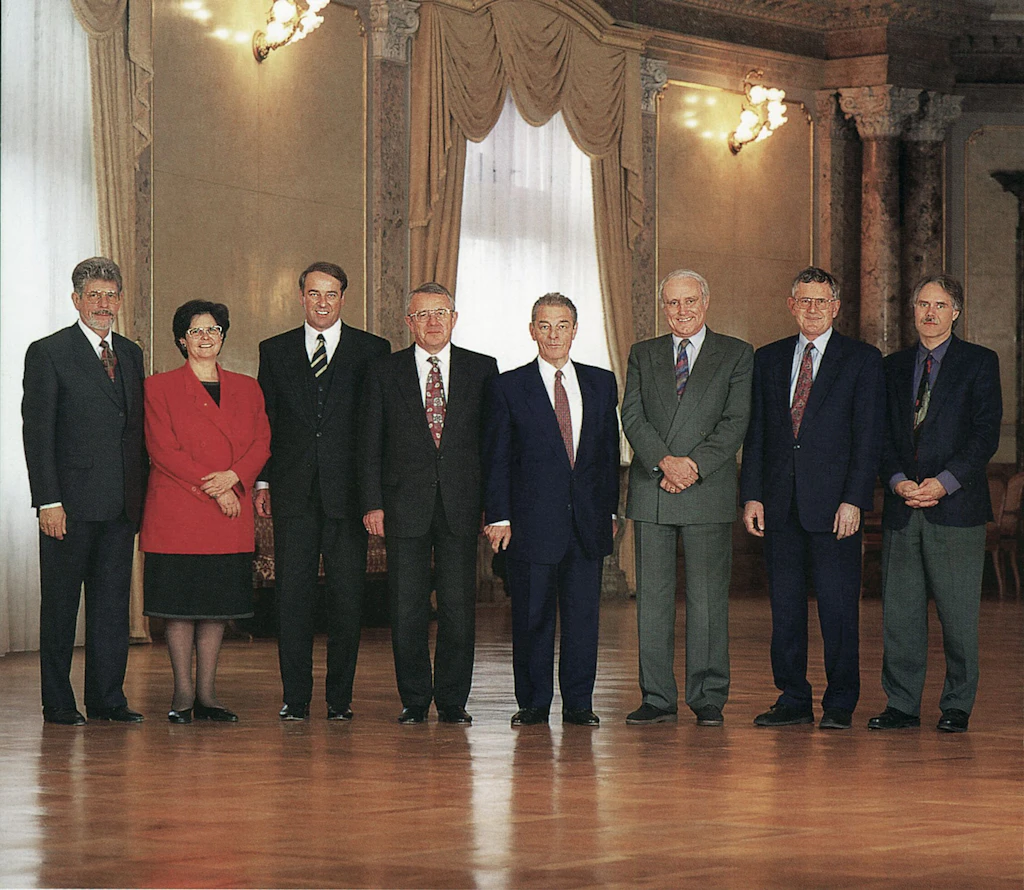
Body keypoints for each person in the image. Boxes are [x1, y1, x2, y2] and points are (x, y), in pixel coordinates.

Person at [740, 266, 884, 730]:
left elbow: (868, 437)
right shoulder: (768, 358)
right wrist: (752, 496)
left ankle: (840, 702)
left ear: (836, 307)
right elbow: (757, 432)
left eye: (822, 301)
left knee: (839, 610)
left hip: (835, 507)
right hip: (779, 505)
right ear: (791, 305)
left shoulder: (862, 360)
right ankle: (793, 698)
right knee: (785, 611)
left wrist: (855, 499)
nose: (813, 309)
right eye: (805, 301)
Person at [256, 262, 390, 721]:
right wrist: (263, 480)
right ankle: (295, 699)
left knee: (346, 602)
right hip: (292, 495)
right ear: (300, 296)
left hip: (349, 497)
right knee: (291, 601)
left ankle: (340, 700)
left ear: (343, 298)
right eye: (313, 294)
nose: (322, 303)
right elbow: (265, 422)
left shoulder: (373, 350)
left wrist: (375, 495)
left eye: (330, 294)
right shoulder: (273, 351)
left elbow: (377, 428)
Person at [868, 276, 1002, 734]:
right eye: (922, 303)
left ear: (956, 311)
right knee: (900, 615)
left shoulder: (980, 363)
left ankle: (957, 705)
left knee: (958, 616)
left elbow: (985, 435)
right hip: (904, 506)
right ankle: (902, 704)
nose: (930, 312)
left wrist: (944, 484)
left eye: (940, 305)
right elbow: (880, 436)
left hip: (956, 508)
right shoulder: (892, 366)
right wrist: (898, 480)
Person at [361, 283, 498, 724]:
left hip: (462, 505)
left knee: (459, 609)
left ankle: (453, 700)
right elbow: (370, 446)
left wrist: (493, 507)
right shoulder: (385, 372)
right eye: (422, 315)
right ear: (408, 322)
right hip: (402, 507)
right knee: (407, 608)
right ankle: (415, 699)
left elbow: (493, 446)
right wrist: (372, 503)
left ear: (454, 318)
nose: (433, 322)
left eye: (441, 313)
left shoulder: (483, 369)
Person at [621, 270, 753, 727]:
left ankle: (708, 696)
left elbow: (736, 421)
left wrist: (691, 466)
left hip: (706, 485)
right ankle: (656, 697)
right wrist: (665, 462)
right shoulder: (643, 353)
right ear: (663, 307)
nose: (682, 311)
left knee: (708, 600)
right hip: (654, 485)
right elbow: (632, 417)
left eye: (690, 301)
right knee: (652, 600)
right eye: (673, 303)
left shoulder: (736, 353)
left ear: (707, 301)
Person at [484, 293, 620, 727]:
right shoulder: (509, 385)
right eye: (544, 325)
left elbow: (606, 455)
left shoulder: (602, 382)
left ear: (575, 330)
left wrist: (611, 512)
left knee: (583, 620)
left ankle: (579, 704)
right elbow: (498, 456)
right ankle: (534, 703)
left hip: (588, 522)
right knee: (532, 618)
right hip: (530, 525)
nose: (553, 334)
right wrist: (499, 516)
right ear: (532, 330)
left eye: (562, 325)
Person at [22, 257, 147, 725]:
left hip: (120, 508)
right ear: (75, 300)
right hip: (67, 508)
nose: (103, 303)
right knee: (59, 608)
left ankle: (107, 699)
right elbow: (37, 433)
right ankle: (57, 702)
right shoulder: (48, 352)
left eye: (110, 295)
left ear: (119, 300)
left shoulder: (131, 354)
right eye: (93, 295)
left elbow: (134, 431)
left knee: (112, 609)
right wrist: (47, 501)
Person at [140, 301, 270, 724]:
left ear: (223, 336)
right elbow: (162, 450)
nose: (205, 337)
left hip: (228, 514)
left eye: (213, 330)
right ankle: (181, 693)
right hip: (180, 512)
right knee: (180, 607)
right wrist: (217, 489)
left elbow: (262, 444)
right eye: (196, 331)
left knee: (216, 606)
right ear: (181, 339)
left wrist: (233, 479)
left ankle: (209, 694)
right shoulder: (158, 387)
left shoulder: (248, 387)